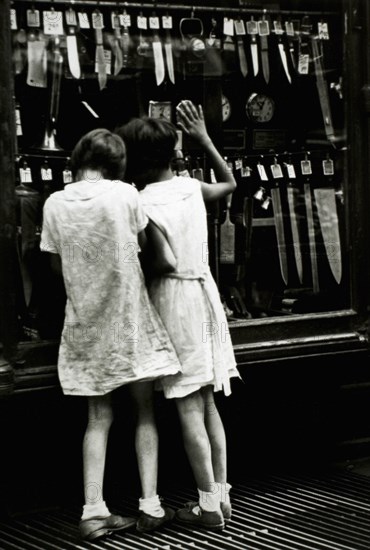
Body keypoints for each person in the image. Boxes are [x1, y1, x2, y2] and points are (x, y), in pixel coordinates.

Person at [40, 129, 181, 541]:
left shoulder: (54, 203)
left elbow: (53, 267)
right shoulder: (124, 194)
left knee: (97, 419)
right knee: (144, 413)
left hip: (85, 321)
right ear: (117, 162)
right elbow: (140, 246)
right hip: (128, 318)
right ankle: (151, 505)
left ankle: (93, 510)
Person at [116, 100, 240, 531]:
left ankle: (208, 506)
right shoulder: (190, 187)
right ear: (173, 154)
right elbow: (230, 184)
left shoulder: (138, 201)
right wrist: (205, 137)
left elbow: (160, 262)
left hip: (173, 300)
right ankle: (221, 497)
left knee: (187, 404)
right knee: (207, 403)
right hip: (206, 296)